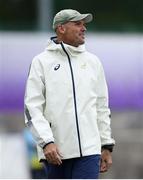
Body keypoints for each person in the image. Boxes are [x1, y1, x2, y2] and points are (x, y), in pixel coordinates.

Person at [24, 9, 115, 179]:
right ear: (61, 28)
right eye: (77, 24)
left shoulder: (93, 62)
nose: (84, 28)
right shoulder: (40, 62)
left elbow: (102, 107)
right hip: (55, 152)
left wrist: (106, 145)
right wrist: (46, 142)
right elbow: (32, 108)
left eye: (84, 24)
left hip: (90, 152)